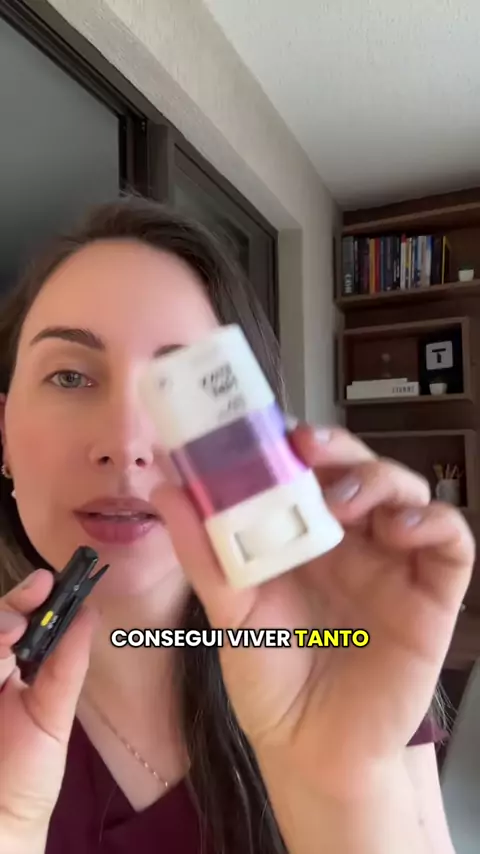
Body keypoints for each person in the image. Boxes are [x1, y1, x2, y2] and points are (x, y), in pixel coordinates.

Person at [0, 197, 472, 854]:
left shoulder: (331, 652)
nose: (126, 445)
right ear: (3, 434)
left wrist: (345, 795)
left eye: (179, 386)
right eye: (71, 376)